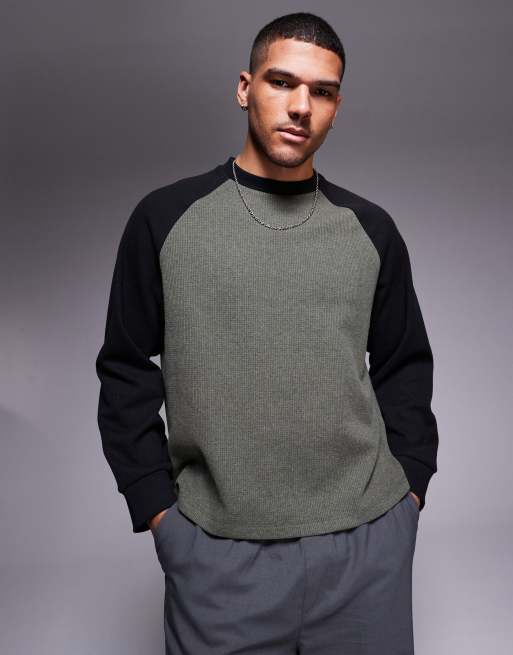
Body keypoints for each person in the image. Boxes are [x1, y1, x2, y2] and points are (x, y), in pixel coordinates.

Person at [95, 11, 438, 655]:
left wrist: (409, 496)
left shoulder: (371, 229)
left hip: (367, 550)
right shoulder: (165, 219)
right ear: (244, 88)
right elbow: (124, 370)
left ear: (336, 107)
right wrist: (159, 512)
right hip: (219, 558)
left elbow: (405, 367)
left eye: (323, 91)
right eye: (282, 82)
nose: (301, 106)